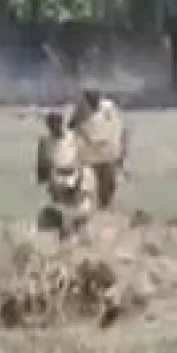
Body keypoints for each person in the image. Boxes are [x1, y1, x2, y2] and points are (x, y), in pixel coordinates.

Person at [36, 108, 96, 240]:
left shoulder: (73, 137)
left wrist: (79, 180)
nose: (53, 127)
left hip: (76, 176)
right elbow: (41, 166)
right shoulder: (45, 142)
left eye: (56, 123)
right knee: (61, 211)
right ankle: (65, 234)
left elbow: (83, 159)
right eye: (50, 124)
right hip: (57, 179)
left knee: (83, 210)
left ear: (61, 122)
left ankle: (82, 235)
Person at [69, 86, 127, 209]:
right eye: (88, 97)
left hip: (108, 153)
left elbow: (119, 128)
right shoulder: (81, 109)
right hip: (89, 156)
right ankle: (87, 211)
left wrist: (121, 152)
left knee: (109, 184)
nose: (92, 100)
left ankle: (104, 207)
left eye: (95, 96)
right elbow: (71, 125)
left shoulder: (109, 107)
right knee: (87, 185)